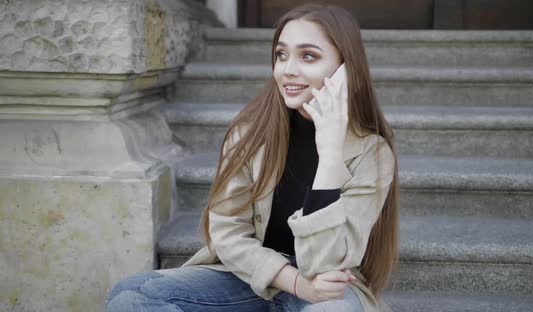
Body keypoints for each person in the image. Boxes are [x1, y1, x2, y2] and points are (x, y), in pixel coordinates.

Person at [106, 3, 399, 312]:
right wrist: (294, 281)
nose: (288, 69)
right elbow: (228, 233)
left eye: (308, 56)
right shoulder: (251, 134)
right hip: (250, 276)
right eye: (281, 55)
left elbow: (325, 266)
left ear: (345, 68)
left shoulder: (372, 154)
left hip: (326, 290)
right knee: (133, 295)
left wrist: (328, 158)